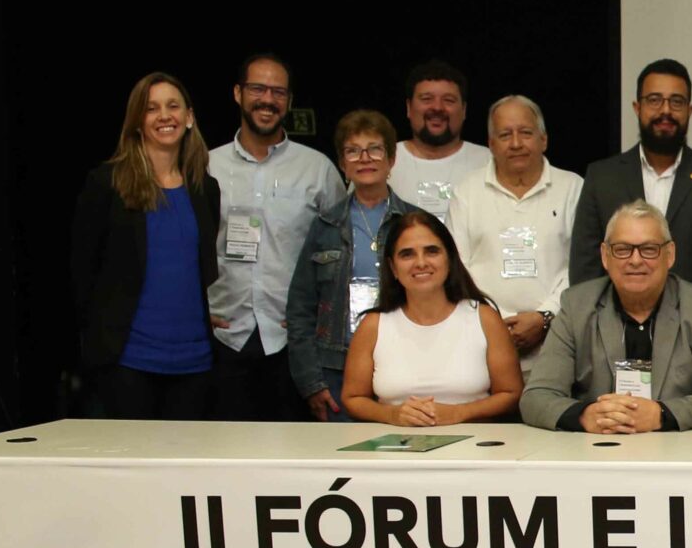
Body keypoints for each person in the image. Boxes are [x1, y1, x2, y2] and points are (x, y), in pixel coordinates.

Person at [566, 57, 692, 356]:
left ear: (690, 110)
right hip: (613, 340)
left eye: (676, 101)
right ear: (636, 107)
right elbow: (585, 265)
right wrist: (588, 340)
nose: (665, 110)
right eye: (654, 100)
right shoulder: (602, 176)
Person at [71, 72, 221, 419]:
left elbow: (197, 267)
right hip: (128, 362)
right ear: (138, 121)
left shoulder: (205, 189)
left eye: (173, 106)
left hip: (194, 362)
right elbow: (83, 274)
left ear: (189, 117)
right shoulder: (106, 183)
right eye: (151, 108)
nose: (164, 116)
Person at [521, 200, 692, 434]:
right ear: (605, 256)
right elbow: (536, 397)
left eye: (649, 249)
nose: (635, 260)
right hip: (597, 452)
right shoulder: (576, 307)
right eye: (622, 249)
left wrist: (661, 414)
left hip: (679, 454)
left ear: (669, 255)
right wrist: (585, 415)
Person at [204, 52, 345, 420]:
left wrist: (320, 314)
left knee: (292, 454)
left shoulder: (317, 169)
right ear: (237, 93)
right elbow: (186, 247)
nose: (268, 99)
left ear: (289, 101)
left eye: (278, 92)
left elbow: (340, 251)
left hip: (293, 340)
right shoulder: (205, 166)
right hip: (223, 336)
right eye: (258, 89)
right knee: (223, 454)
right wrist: (194, 310)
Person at [284, 110, 413, 422]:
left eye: (375, 149)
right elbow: (300, 309)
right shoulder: (325, 225)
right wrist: (312, 383)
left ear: (392, 159)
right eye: (353, 151)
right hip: (336, 370)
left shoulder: (413, 223)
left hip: (403, 365)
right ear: (342, 163)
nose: (364, 158)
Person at [341, 210, 522, 426]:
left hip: (474, 449)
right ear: (393, 267)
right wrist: (392, 415)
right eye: (407, 254)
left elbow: (511, 393)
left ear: (450, 259)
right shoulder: (373, 325)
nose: (420, 263)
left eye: (432, 251)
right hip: (393, 451)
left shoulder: (484, 318)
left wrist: (459, 413)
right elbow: (352, 398)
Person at [446, 95, 584, 360]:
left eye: (526, 132)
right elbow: (456, 267)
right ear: (491, 144)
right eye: (505, 134)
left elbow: (581, 267)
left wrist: (544, 317)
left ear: (544, 139)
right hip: (481, 341)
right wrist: (493, 323)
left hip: (558, 341)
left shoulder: (573, 189)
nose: (516, 143)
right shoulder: (467, 192)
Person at [385, 59, 491, 220]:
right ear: (408, 107)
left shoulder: (489, 161)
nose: (437, 108)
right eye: (426, 99)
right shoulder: (383, 161)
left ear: (464, 110)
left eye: (448, 100)